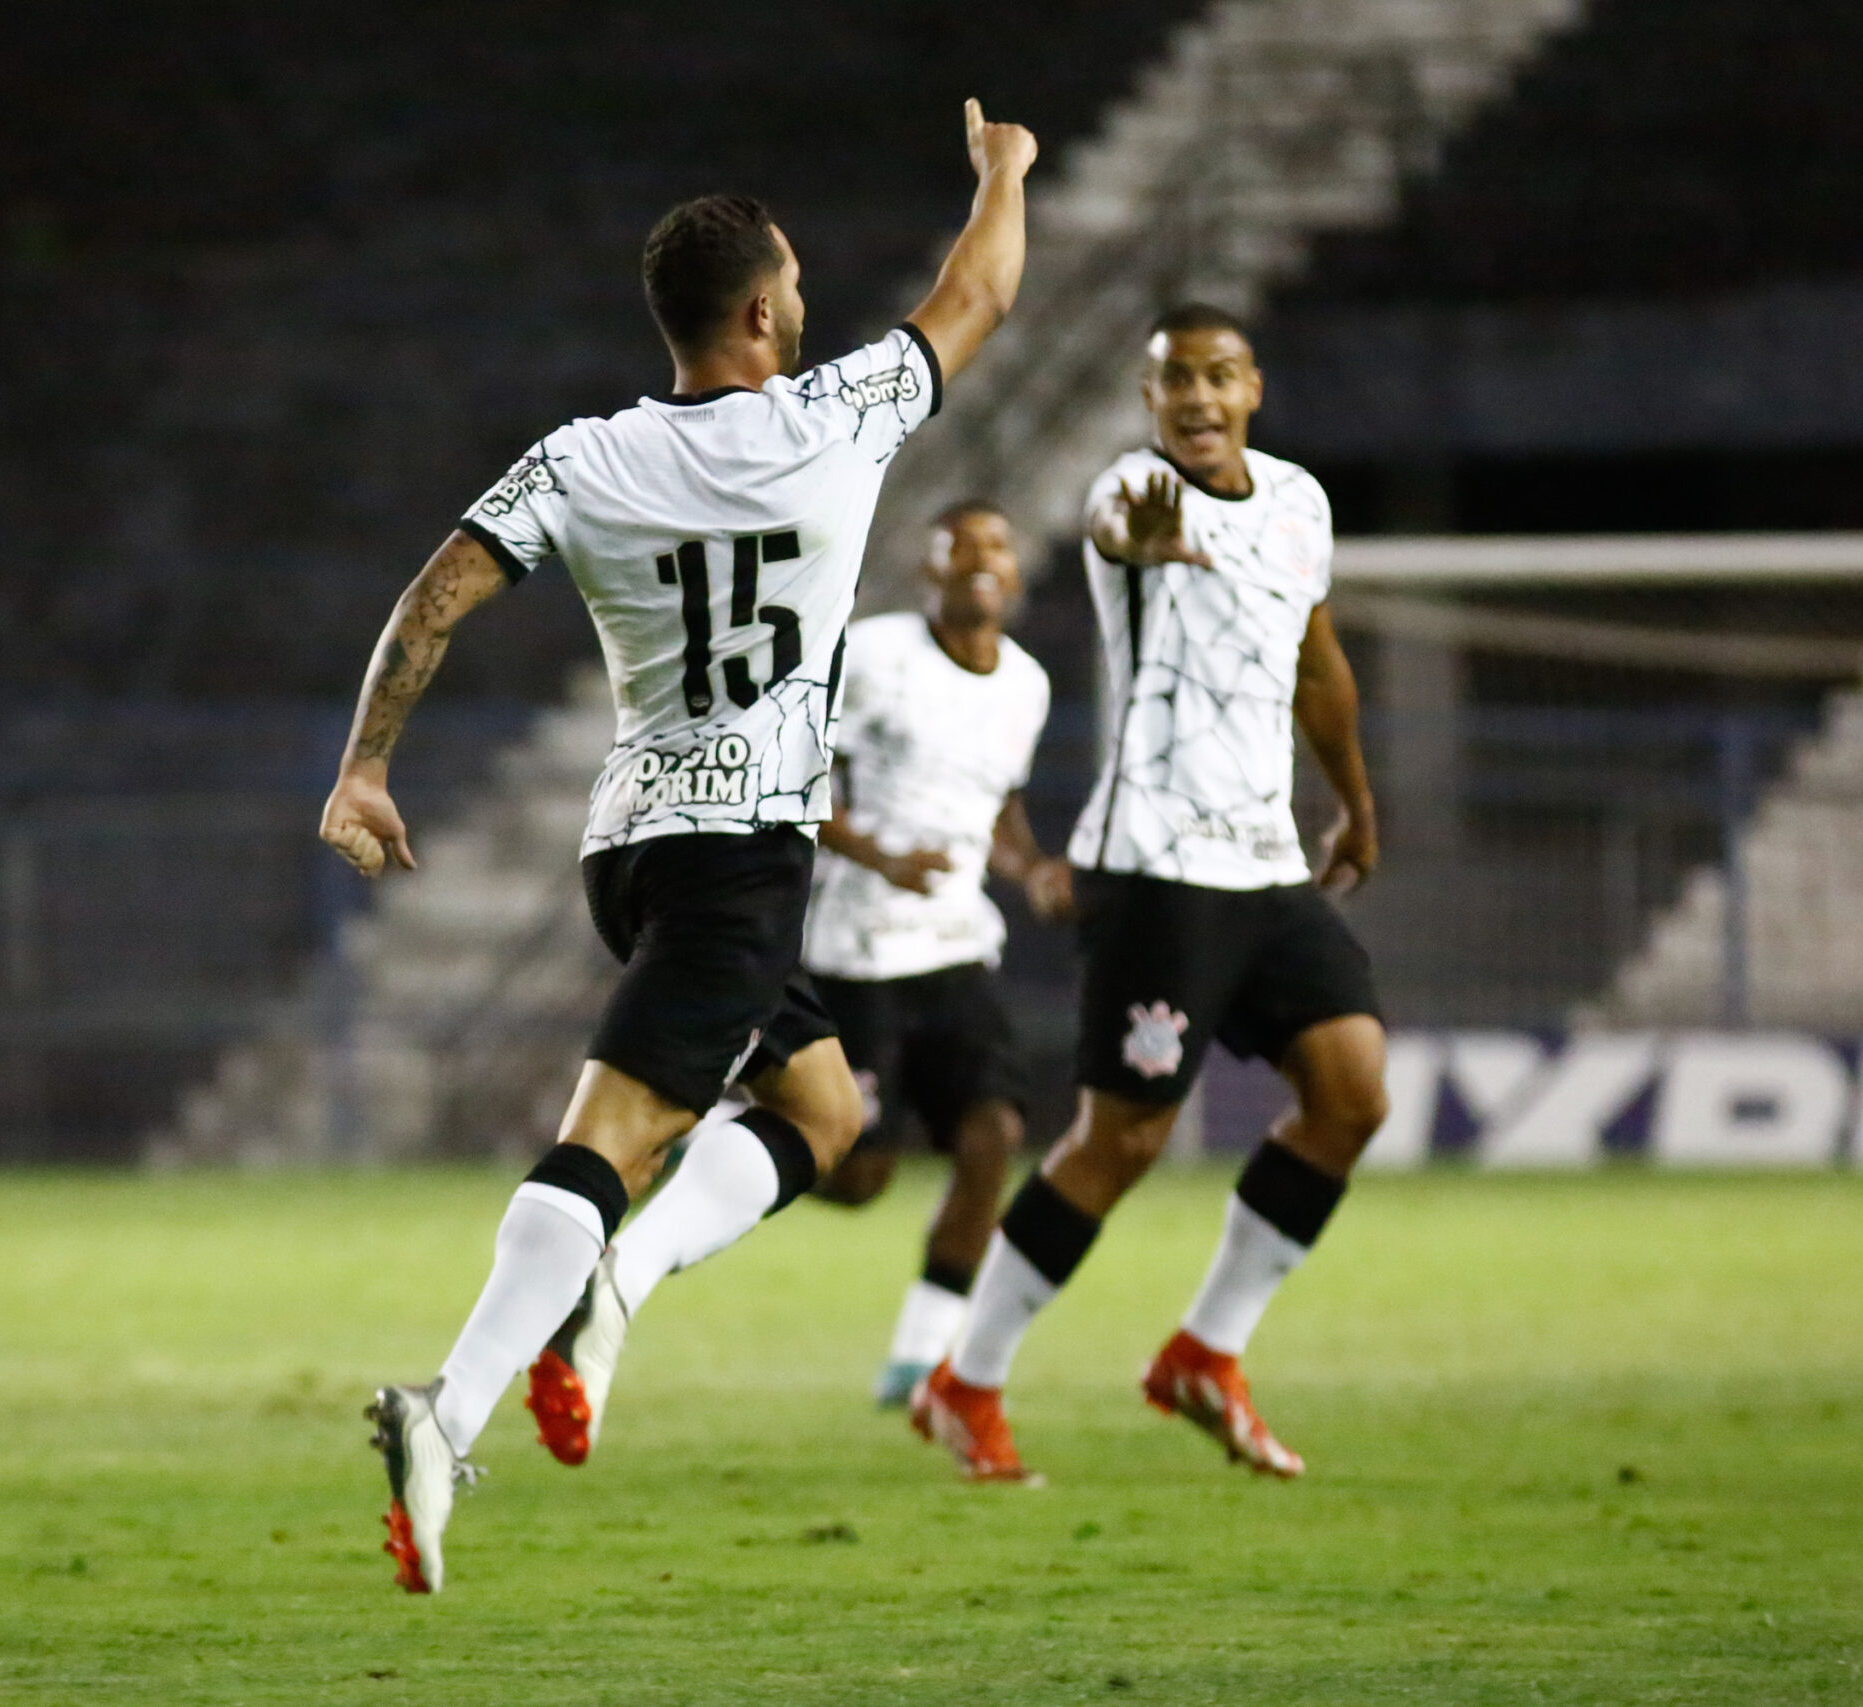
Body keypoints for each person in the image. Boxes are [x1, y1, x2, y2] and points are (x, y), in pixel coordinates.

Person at [319, 100, 1038, 1594]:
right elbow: (978, 293)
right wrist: (1004, 174)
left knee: (829, 1116)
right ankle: (444, 1414)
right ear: (768, 310)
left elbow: (434, 594)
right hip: (743, 856)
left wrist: (367, 763)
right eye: (796, 293)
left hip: (632, 848)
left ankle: (618, 1283)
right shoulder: (838, 415)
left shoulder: (583, 456)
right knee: (617, 1137)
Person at [910, 302, 1390, 1484]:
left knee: (1351, 1097)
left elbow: (1317, 665)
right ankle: (963, 1381)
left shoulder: (1299, 506)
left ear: (1253, 389)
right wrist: (1159, 540)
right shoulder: (1127, 492)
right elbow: (1128, 528)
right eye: (1174, 382)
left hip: (1267, 863)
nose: (1197, 400)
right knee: (1121, 1138)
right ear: (1148, 401)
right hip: (1157, 870)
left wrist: (1356, 803)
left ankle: (1203, 1352)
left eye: (1218, 378)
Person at [805, 500, 1062, 1407]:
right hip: (858, 946)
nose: (980, 561)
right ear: (930, 574)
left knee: (992, 1134)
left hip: (957, 945)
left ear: (1015, 573)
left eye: (997, 545)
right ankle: (730, 1138)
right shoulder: (873, 657)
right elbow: (792, 775)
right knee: (858, 1174)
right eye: (960, 550)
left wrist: (1030, 868)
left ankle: (921, 1356)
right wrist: (878, 854)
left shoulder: (1027, 684)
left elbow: (998, 810)